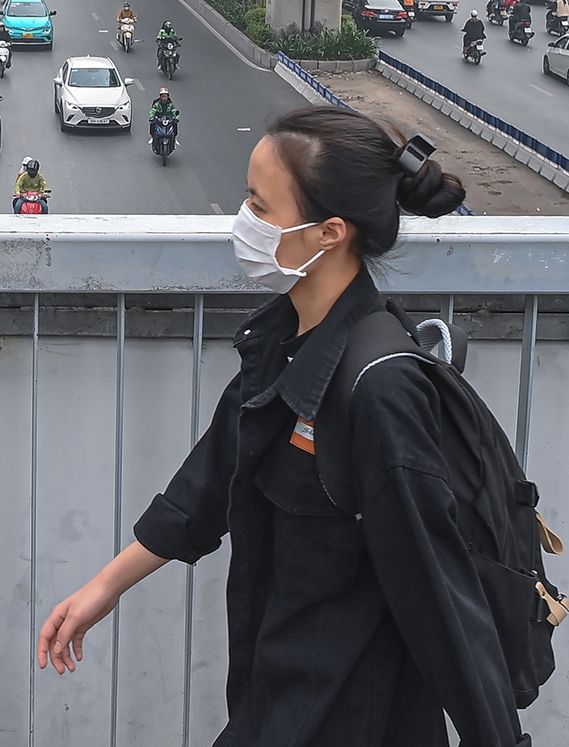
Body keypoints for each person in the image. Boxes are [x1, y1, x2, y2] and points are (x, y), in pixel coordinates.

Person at [35, 109, 514, 745]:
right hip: (276, 694)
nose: (245, 223)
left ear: (329, 233)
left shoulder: (380, 388)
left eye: (261, 207)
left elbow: (440, 593)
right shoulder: (285, 340)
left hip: (353, 715)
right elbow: (212, 479)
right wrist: (105, 588)